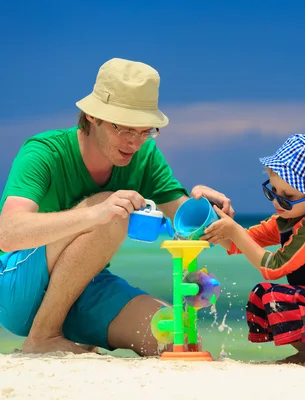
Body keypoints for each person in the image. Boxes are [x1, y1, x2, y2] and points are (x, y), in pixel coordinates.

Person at [0, 58, 234, 356]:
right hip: (17, 288)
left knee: (176, 339)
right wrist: (94, 213)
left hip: (83, 287)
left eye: (145, 131)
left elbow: (204, 230)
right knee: (112, 209)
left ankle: (78, 334)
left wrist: (209, 213)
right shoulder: (44, 153)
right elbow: (8, 234)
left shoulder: (144, 156)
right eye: (124, 129)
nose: (135, 144)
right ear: (92, 116)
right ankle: (43, 337)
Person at [201, 134, 305, 367]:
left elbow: (274, 268)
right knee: (261, 296)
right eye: (273, 192)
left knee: (275, 296)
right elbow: (241, 243)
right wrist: (214, 225)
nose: (277, 202)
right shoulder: (286, 220)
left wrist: (234, 231)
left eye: (288, 197)